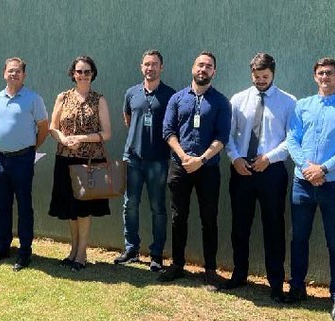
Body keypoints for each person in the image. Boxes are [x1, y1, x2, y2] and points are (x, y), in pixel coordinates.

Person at [286, 57, 335, 321]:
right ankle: (297, 288)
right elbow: (292, 139)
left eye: (329, 73)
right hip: (302, 183)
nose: (324, 77)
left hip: (334, 186)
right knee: (299, 238)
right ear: (314, 76)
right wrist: (307, 168)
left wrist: (324, 169)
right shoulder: (302, 106)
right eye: (320, 73)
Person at [221, 53, 296, 302]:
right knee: (240, 226)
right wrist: (235, 158)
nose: (261, 80)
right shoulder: (238, 99)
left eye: (265, 76)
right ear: (251, 74)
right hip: (242, 169)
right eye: (257, 76)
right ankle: (239, 274)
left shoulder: (288, 102)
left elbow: (292, 139)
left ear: (273, 73)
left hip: (271, 171)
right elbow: (227, 134)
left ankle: (276, 283)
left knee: (273, 227)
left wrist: (269, 158)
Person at [158, 51, 230, 290]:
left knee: (209, 219)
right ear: (193, 68)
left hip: (208, 169)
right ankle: (177, 264)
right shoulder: (177, 98)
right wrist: (184, 157)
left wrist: (202, 159)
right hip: (179, 167)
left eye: (208, 66)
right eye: (200, 65)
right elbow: (168, 131)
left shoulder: (221, 101)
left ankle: (210, 271)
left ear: (214, 72)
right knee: (178, 217)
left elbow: (222, 136)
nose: (203, 69)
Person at [48, 55, 112, 272]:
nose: (83, 75)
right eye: (79, 71)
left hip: (89, 162)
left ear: (92, 74)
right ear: (73, 74)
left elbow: (107, 133)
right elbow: (53, 128)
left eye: (87, 71)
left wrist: (81, 138)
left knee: (83, 209)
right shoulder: (63, 97)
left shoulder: (99, 100)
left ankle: (82, 254)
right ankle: (73, 251)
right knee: (70, 208)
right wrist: (64, 139)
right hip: (65, 159)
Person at [114, 49, 176, 272]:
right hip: (133, 159)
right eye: (147, 64)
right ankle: (131, 250)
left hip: (158, 160)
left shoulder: (170, 95)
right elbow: (128, 119)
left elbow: (173, 126)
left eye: (154, 64)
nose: (150, 68)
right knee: (130, 205)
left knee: (158, 207)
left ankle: (156, 254)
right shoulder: (131, 93)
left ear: (161, 67)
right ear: (142, 67)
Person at [0, 57, 49, 271]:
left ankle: (24, 252)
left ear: (24, 75)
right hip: (0, 159)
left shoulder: (33, 99)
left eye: (18, 71)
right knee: (2, 205)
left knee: (24, 206)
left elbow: (43, 128)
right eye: (10, 71)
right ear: (4, 73)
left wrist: (30, 148)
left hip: (23, 159)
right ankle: (3, 246)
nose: (14, 74)